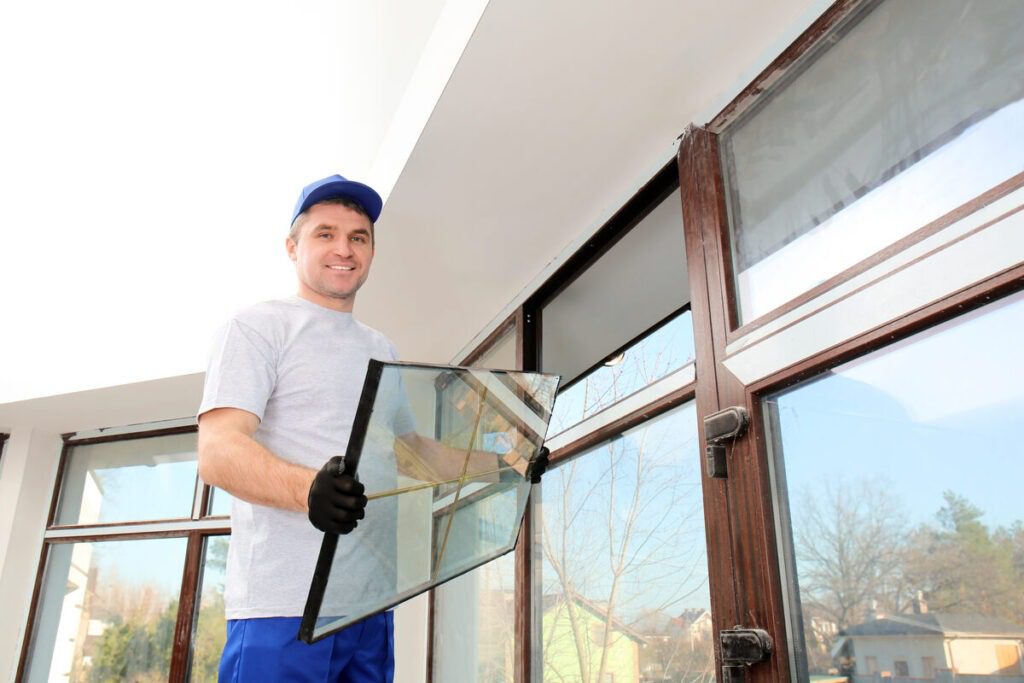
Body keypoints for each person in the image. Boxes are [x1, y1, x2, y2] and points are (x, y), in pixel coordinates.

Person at [196, 174, 548, 683]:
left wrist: (508, 463)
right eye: (325, 234)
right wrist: (308, 491)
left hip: (367, 607)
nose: (344, 248)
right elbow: (219, 449)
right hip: (284, 607)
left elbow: (411, 453)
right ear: (293, 247)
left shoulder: (380, 348)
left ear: (371, 252)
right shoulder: (256, 327)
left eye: (358, 237)